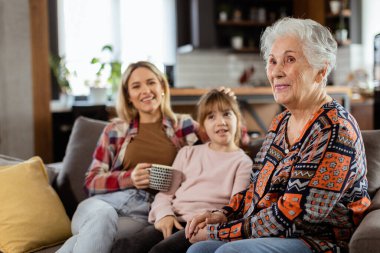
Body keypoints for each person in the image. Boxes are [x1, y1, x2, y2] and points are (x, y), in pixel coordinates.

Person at [186, 17, 371, 253]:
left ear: (320, 70)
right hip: (274, 233)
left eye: (290, 60)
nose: (276, 71)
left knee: (226, 252)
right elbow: (256, 189)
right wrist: (222, 215)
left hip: (318, 240)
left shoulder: (334, 129)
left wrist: (219, 232)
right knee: (198, 250)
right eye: (272, 61)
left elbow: (295, 215)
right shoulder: (281, 123)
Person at [57, 61, 202, 253]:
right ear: (128, 96)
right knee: (102, 217)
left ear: (162, 87)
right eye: (136, 86)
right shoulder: (115, 130)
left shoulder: (183, 126)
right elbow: (91, 182)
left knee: (89, 240)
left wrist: (225, 101)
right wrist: (129, 177)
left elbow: (226, 138)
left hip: (144, 212)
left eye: (151, 82)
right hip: (104, 203)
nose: (145, 90)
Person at [111, 89, 253, 253]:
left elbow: (235, 209)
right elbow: (165, 194)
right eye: (211, 117)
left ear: (238, 120)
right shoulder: (187, 152)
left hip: (202, 226)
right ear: (203, 126)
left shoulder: (243, 163)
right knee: (123, 247)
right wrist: (165, 215)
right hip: (174, 219)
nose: (221, 122)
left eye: (227, 114)